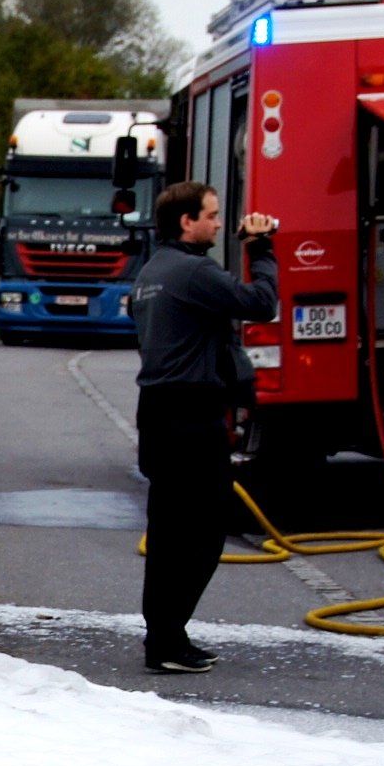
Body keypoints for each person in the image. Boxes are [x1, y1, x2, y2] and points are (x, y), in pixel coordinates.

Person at [126, 181, 278, 674]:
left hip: (157, 410)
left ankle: (165, 637)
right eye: (211, 215)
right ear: (186, 222)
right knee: (205, 532)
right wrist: (261, 248)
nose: (217, 222)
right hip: (190, 413)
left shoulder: (152, 271)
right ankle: (167, 640)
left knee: (168, 532)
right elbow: (261, 303)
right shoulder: (194, 270)